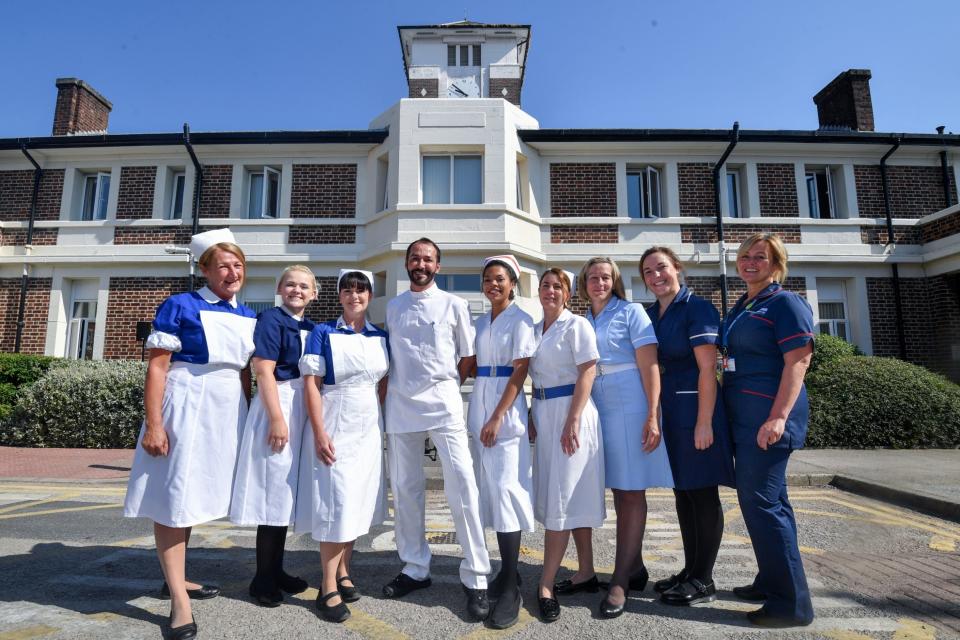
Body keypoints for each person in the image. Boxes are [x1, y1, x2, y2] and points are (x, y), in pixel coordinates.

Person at [123, 228, 257, 640]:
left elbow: (246, 373)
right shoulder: (179, 305)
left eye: (237, 265)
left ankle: (176, 577)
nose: (231, 272)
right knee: (173, 496)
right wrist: (155, 424)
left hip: (225, 405)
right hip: (186, 403)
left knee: (193, 495)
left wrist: (249, 416)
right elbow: (158, 367)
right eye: (223, 266)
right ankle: (179, 601)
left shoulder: (248, 314)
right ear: (205, 270)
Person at [381, 238, 491, 621]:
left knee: (462, 484)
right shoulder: (393, 307)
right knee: (406, 488)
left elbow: (469, 356)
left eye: (428, 259)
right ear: (407, 263)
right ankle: (415, 567)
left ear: (437, 266)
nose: (421, 263)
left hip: (444, 404)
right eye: (415, 258)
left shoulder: (455, 305)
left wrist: (446, 385)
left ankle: (477, 575)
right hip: (401, 404)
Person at [721, 233, 815, 628]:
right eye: (745, 256)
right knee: (772, 504)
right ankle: (770, 579)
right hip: (745, 418)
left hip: (768, 419)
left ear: (777, 264)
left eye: (760, 257)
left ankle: (791, 604)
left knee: (762, 505)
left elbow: (798, 362)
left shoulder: (785, 303)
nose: (750, 262)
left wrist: (777, 417)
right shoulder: (746, 303)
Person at [641, 247, 735, 606]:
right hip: (672, 413)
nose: (656, 276)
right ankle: (689, 570)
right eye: (648, 272)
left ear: (677, 268)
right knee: (683, 493)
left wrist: (704, 422)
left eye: (661, 268)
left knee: (702, 495)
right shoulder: (653, 313)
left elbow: (709, 370)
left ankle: (704, 579)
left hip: (697, 412)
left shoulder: (697, 308)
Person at [577, 257, 671, 618]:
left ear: (614, 282)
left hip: (631, 405)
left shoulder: (631, 312)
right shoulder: (584, 319)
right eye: (593, 277)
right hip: (597, 408)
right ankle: (635, 566)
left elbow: (649, 365)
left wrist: (652, 413)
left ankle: (619, 581)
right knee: (619, 490)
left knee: (631, 493)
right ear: (584, 283)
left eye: (606, 277)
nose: (599, 282)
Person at [296, 269, 389, 623]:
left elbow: (382, 384)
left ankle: (345, 570)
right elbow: (311, 385)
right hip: (335, 421)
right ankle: (327, 587)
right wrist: (319, 432)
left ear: (369, 295)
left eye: (361, 290)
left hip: (367, 426)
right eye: (347, 290)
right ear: (339, 296)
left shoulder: (381, 336)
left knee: (358, 502)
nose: (355, 295)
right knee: (336, 503)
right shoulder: (322, 333)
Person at [230, 265, 317, 606]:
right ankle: (262, 579)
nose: (297, 290)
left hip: (301, 406)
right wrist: (277, 419)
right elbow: (263, 370)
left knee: (285, 495)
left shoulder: (311, 327)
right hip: (277, 404)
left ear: (314, 293)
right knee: (271, 492)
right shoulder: (270, 320)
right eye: (290, 284)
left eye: (304, 286)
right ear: (279, 288)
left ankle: (276, 570)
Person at [530, 268, 605, 623]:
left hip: (570, 414)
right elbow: (537, 378)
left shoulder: (576, 325)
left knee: (561, 497)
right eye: (545, 285)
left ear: (568, 293)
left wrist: (573, 419)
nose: (549, 290)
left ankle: (545, 585)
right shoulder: (534, 328)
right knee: (567, 494)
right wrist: (532, 413)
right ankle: (586, 571)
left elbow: (588, 370)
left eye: (557, 286)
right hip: (544, 412)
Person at [466, 255, 536, 630]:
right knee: (488, 491)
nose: (493, 284)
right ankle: (505, 571)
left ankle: (511, 584)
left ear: (513, 284)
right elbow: (470, 364)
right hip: (480, 402)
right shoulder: (479, 322)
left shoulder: (521, 320)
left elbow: (520, 369)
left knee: (508, 490)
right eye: (488, 279)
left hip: (504, 413)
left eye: (500, 279)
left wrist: (496, 416)